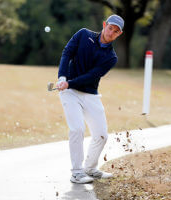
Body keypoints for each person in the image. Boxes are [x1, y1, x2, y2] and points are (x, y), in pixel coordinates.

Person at [56, 14, 124, 184]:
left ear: (119, 34)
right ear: (104, 25)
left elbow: (92, 75)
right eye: (110, 28)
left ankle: (90, 168)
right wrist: (62, 78)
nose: (111, 32)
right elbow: (67, 53)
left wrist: (69, 83)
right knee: (77, 129)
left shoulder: (111, 57)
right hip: (69, 92)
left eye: (116, 31)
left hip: (89, 94)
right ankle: (77, 172)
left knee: (101, 135)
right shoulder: (83, 34)